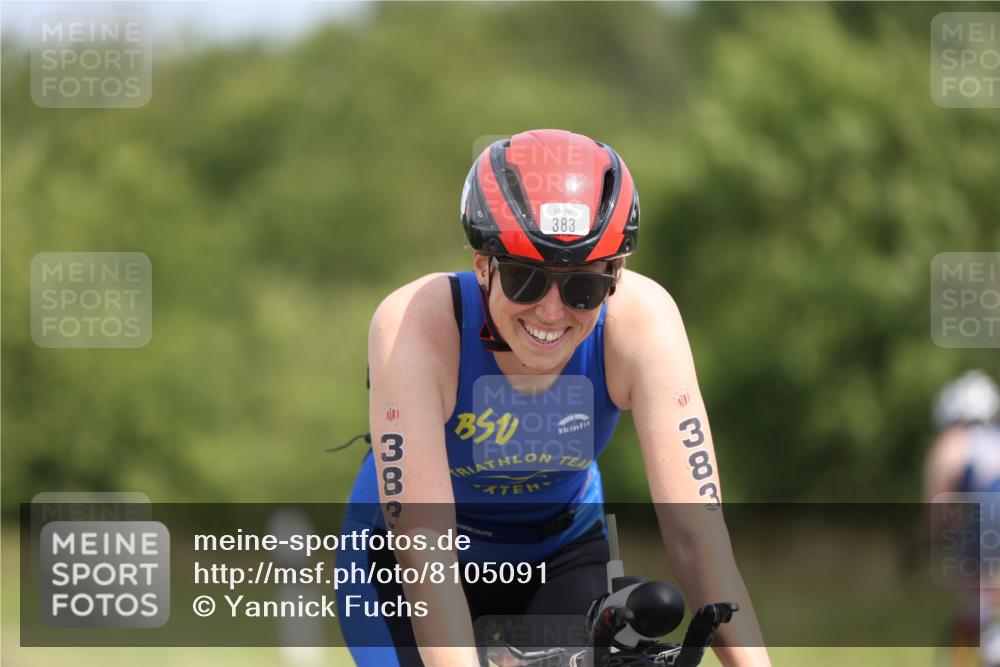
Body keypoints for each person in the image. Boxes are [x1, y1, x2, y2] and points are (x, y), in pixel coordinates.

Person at [336, 129, 771, 667]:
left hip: (560, 552)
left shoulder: (643, 322)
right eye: (525, 279)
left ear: (616, 276)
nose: (550, 311)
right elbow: (425, 549)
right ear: (482, 264)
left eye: (582, 287)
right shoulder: (416, 325)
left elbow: (698, 536)